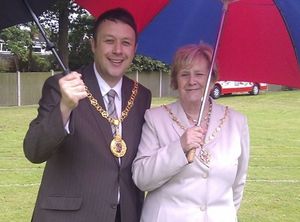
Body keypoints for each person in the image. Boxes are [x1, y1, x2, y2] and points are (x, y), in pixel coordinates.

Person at [23, 8, 151, 222]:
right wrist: (64, 107)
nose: (118, 50)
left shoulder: (141, 96)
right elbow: (33, 151)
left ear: (134, 49)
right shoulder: (61, 87)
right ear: (93, 44)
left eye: (126, 43)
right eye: (109, 41)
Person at [132, 44, 250, 222]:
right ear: (175, 80)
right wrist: (179, 147)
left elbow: (238, 183)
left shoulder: (237, 122)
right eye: (184, 74)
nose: (192, 80)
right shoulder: (156, 119)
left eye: (200, 74)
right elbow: (141, 178)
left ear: (212, 79)